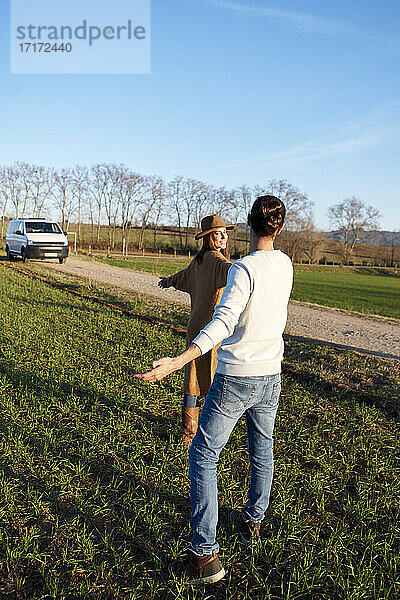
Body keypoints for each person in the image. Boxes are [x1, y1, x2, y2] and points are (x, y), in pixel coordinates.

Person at [136, 195, 293, 585]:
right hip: (271, 376)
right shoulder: (286, 265)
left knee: (203, 455)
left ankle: (203, 557)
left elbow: (222, 323)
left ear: (251, 225)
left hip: (237, 377)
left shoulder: (243, 269)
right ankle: (253, 523)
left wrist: (176, 360)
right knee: (263, 451)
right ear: (278, 226)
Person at [158, 215, 234, 445]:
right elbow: (235, 274)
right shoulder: (216, 261)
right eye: (218, 233)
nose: (223, 237)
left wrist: (168, 280)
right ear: (208, 238)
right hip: (212, 330)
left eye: (224, 233)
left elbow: (182, 277)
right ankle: (204, 431)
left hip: (195, 327)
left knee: (192, 375)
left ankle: (187, 432)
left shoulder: (198, 261)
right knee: (211, 377)